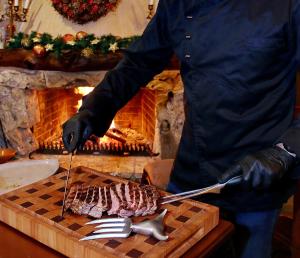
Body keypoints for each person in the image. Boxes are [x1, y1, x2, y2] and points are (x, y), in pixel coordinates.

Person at [62, 1, 300, 257]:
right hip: (193, 168)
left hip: (258, 174)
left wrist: (285, 150)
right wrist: (93, 109)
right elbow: (138, 63)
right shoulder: (179, 3)